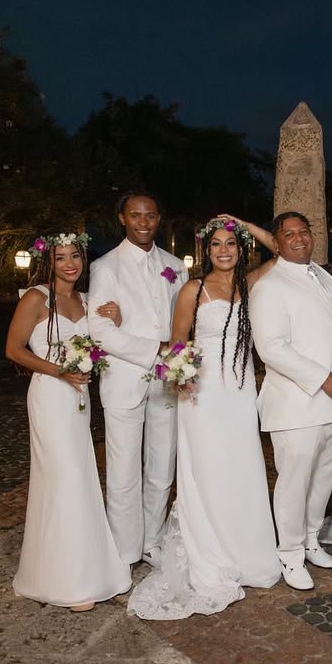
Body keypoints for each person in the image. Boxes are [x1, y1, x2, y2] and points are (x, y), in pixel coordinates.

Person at [129, 217, 282, 619]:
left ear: (241, 248)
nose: (224, 250)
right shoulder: (192, 290)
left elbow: (281, 248)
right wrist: (179, 377)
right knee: (208, 470)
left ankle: (245, 552)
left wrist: (243, 223)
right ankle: (211, 552)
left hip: (240, 390)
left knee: (243, 467)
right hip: (204, 395)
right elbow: (176, 344)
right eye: (216, 244)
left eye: (231, 243)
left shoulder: (250, 284)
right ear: (206, 251)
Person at [6, 232, 130, 611]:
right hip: (49, 395)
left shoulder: (88, 301)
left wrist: (117, 319)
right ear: (49, 262)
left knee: (81, 477)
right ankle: (67, 581)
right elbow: (12, 349)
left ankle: (86, 570)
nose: (69, 264)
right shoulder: (36, 297)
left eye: (75, 255)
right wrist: (58, 371)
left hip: (78, 399)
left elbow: (105, 342)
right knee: (65, 479)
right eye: (60, 257)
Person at [250, 211, 332, 591]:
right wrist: (325, 379)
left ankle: (311, 539)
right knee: (294, 483)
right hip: (298, 405)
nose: (298, 239)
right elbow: (271, 348)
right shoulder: (269, 286)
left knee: (324, 479)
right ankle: (290, 554)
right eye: (288, 234)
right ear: (276, 242)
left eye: (303, 232)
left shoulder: (323, 277)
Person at [89, 192, 188, 567]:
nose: (143, 222)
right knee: (124, 471)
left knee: (162, 468)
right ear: (122, 219)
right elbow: (100, 332)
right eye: (135, 215)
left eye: (150, 215)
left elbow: (183, 322)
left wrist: (178, 357)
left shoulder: (177, 266)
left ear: (159, 219)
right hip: (124, 382)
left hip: (167, 383)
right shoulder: (105, 266)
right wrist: (158, 349)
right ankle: (124, 550)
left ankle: (153, 541)